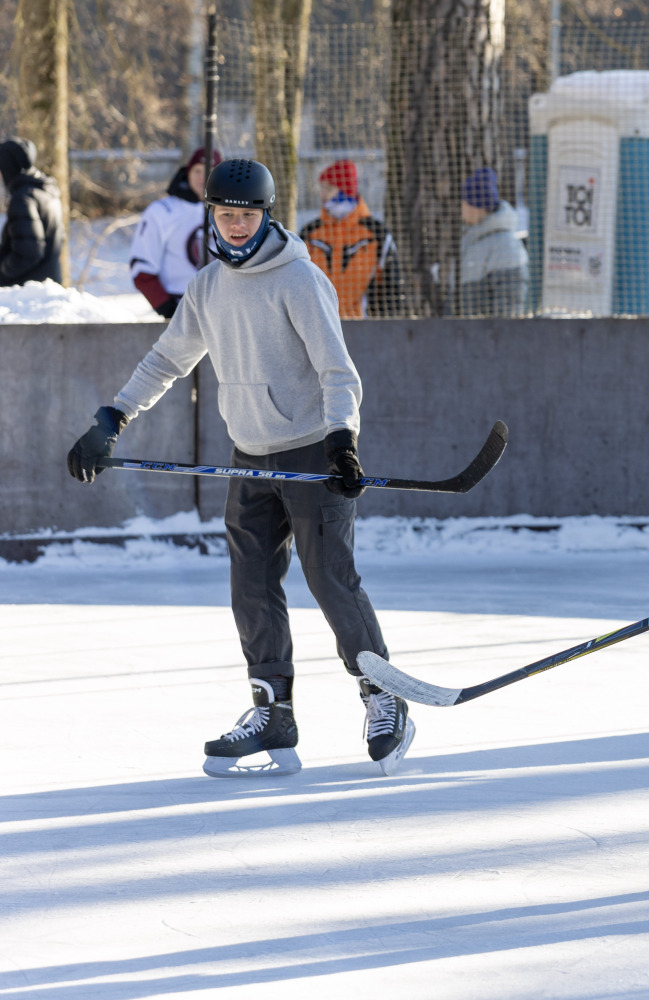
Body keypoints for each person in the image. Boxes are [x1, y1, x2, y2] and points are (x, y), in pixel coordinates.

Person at [66, 158, 415, 778]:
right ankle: (272, 711)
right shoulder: (206, 287)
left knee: (330, 579)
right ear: (212, 215)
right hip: (250, 455)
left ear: (265, 215)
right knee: (251, 584)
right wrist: (112, 417)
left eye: (245, 215)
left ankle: (382, 696)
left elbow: (339, 372)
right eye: (225, 215)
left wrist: (342, 441)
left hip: (312, 452)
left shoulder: (299, 281)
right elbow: (166, 359)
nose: (234, 226)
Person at [299, 159, 405, 318]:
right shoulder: (310, 233)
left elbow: (392, 286)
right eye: (322, 189)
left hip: (364, 328)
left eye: (328, 189)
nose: (322, 195)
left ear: (344, 190)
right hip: (320, 326)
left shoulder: (376, 234)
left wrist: (384, 324)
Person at [128, 147, 221, 319]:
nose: (203, 178)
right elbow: (142, 268)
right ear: (188, 172)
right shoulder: (162, 211)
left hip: (225, 315)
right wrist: (168, 308)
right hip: (180, 311)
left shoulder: (235, 213)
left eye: (211, 171)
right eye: (198, 171)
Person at [458, 166, 528, 317]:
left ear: (475, 207)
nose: (461, 209)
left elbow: (510, 303)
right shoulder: (472, 243)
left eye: (464, 203)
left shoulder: (506, 246)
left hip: (492, 337)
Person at [0, 137, 63, 286]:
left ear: (9, 167)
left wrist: (2, 272)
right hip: (48, 286)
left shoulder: (23, 199)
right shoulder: (47, 190)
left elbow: (28, 253)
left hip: (29, 291)